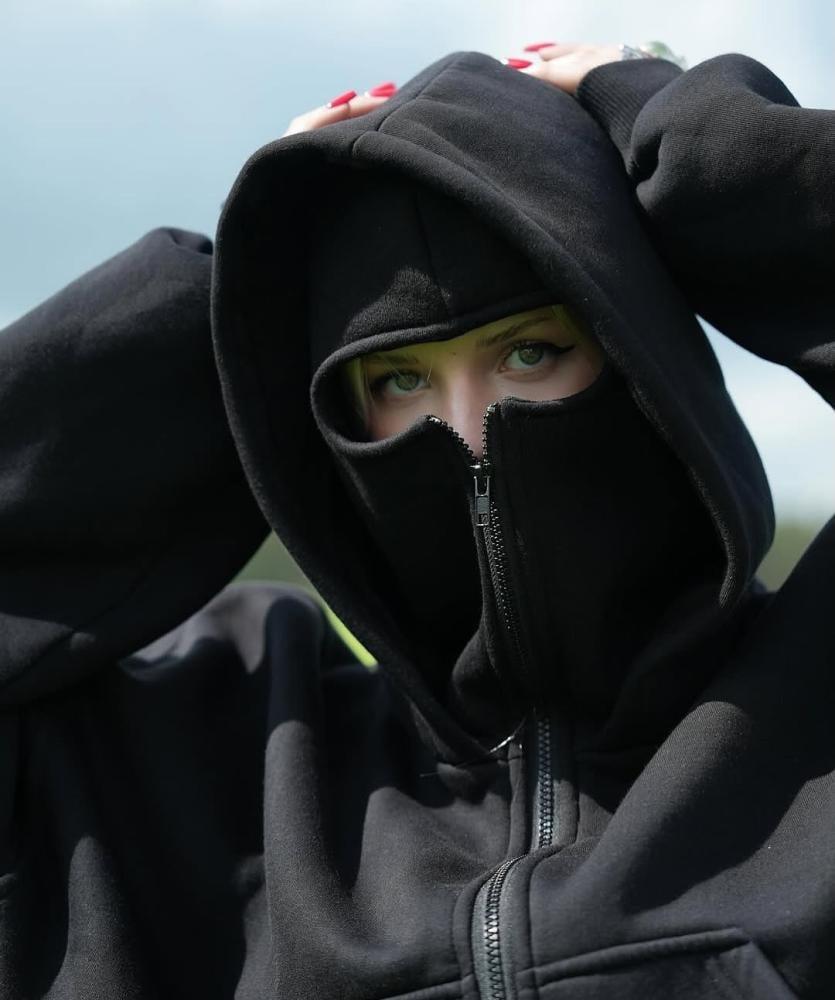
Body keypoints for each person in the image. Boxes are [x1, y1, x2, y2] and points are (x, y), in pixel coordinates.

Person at [0, 39, 832, 1000]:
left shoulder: (810, 695)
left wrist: (708, 152)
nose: (469, 434)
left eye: (529, 354)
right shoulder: (207, 748)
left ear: (643, 358)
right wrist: (243, 297)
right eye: (398, 381)